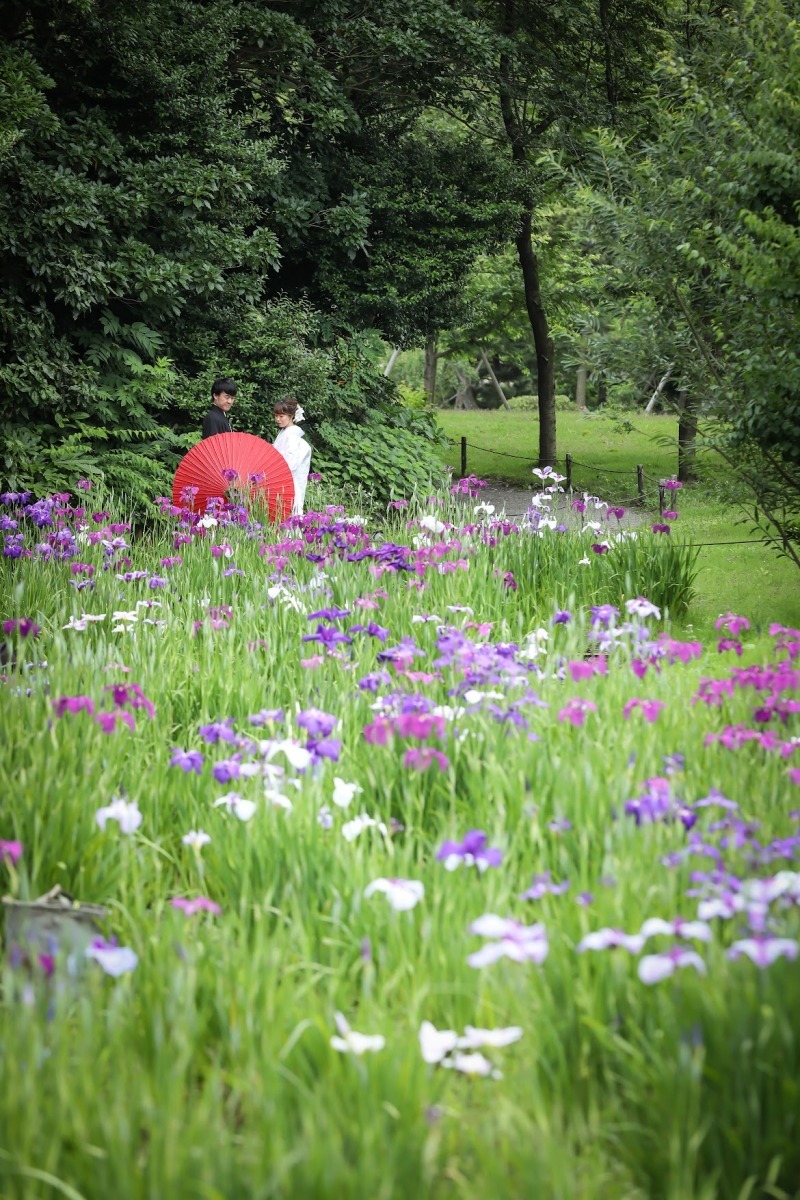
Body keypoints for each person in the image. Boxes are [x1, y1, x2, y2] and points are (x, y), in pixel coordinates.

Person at [273, 397, 311, 516]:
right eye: (276, 416)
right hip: (280, 478)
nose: (278, 419)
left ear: (291, 416)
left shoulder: (292, 436)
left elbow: (290, 464)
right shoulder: (285, 433)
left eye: (281, 416)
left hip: (286, 480)